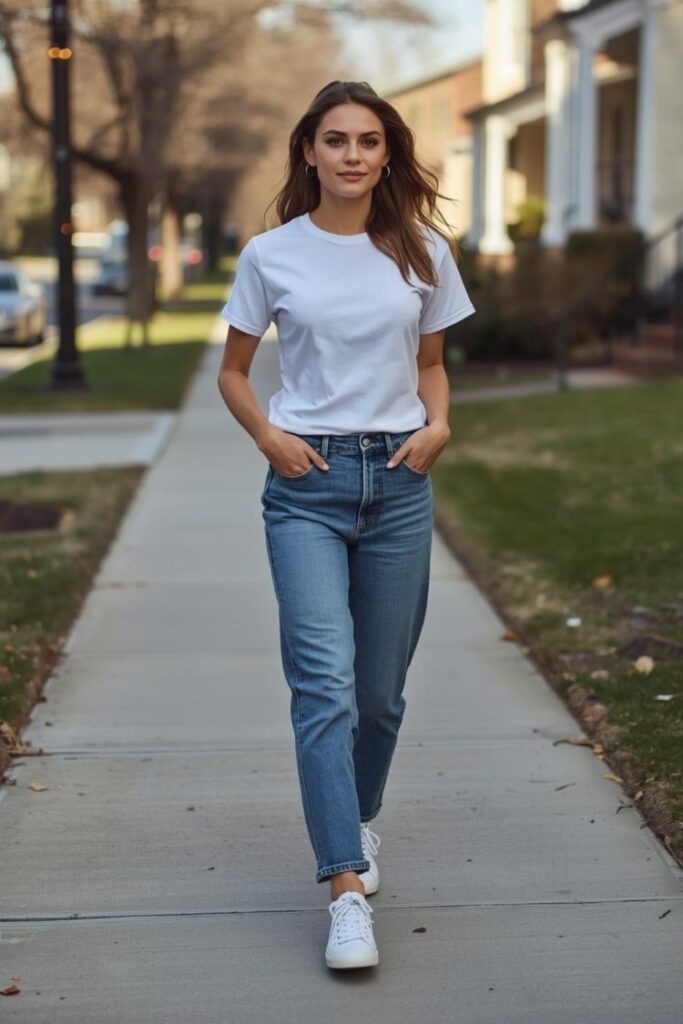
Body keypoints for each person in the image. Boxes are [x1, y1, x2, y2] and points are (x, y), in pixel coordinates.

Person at [216, 79, 475, 971]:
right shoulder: (271, 255)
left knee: (379, 696)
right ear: (309, 153)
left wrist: (438, 427)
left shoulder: (424, 252)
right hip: (308, 485)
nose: (353, 155)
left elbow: (431, 363)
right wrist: (269, 438)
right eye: (336, 140)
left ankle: (353, 823)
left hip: (400, 481)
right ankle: (344, 890)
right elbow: (235, 373)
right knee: (321, 688)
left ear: (387, 154)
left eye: (368, 141)